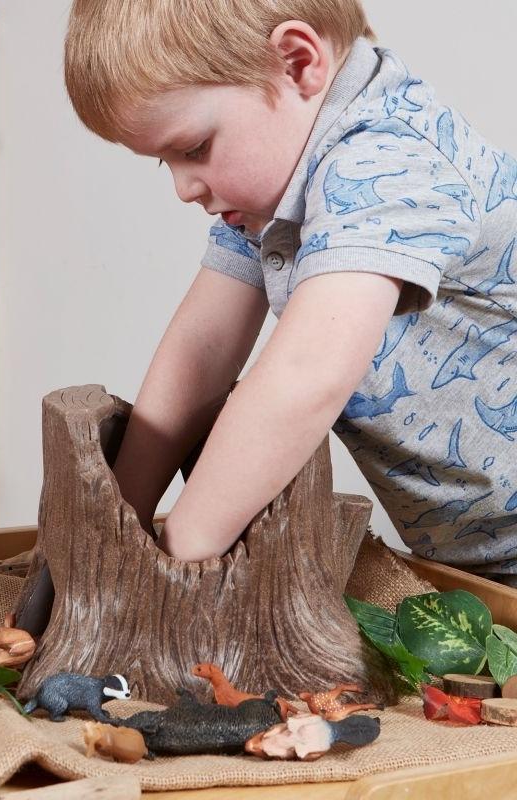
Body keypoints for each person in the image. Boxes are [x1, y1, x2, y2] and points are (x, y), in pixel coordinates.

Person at [64, 0, 517, 580]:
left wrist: (175, 557)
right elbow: (202, 348)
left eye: (194, 149)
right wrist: (118, 520)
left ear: (298, 63)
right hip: (473, 557)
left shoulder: (389, 161)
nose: (183, 188)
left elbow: (306, 375)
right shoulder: (275, 195)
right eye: (164, 163)